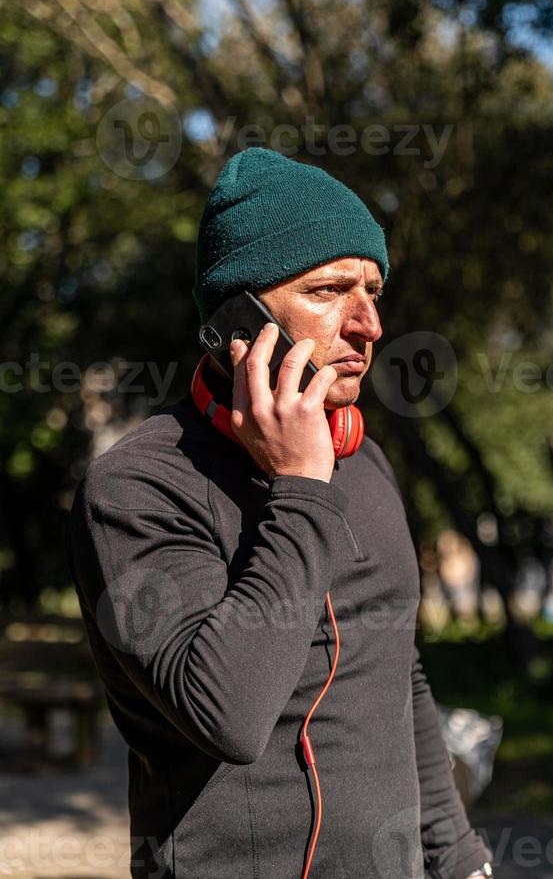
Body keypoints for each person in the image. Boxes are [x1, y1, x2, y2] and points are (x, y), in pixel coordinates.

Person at [66, 147, 494, 879]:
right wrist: (301, 487)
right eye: (330, 290)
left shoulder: (365, 460)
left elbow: (398, 675)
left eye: (374, 291)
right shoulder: (135, 489)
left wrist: (460, 860)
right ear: (240, 316)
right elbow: (226, 714)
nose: (370, 324)